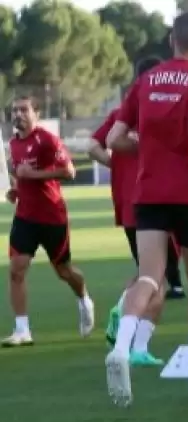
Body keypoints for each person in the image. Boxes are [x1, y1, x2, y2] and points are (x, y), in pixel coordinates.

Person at [104, 12, 188, 406]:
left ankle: (122, 347)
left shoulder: (146, 80)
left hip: (149, 193)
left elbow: (115, 138)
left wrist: (151, 150)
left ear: (170, 40)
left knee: (149, 276)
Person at [89, 56, 181, 366]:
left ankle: (134, 336)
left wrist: (116, 164)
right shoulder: (159, 111)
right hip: (156, 201)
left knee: (148, 273)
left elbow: (92, 146)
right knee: (156, 279)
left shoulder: (120, 114)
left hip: (130, 204)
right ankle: (131, 333)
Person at [2, 95, 94, 348]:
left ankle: (84, 299)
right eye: (14, 111)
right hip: (25, 217)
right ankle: (22, 330)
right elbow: (22, 177)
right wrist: (16, 191)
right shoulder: (14, 144)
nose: (18, 115)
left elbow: (69, 171)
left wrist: (33, 175)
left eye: (24, 110)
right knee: (16, 270)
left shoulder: (48, 140)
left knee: (64, 271)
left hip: (52, 216)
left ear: (36, 114)